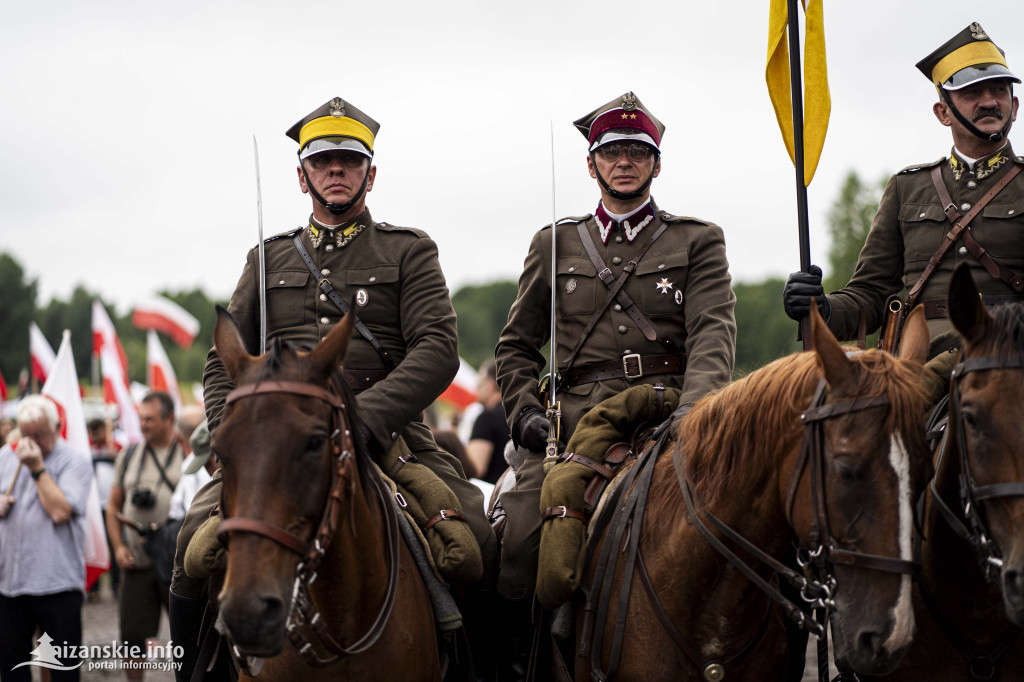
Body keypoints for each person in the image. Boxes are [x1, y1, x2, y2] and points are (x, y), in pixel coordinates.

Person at [169, 96, 496, 681]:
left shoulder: (408, 250)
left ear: (371, 173)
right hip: (277, 447)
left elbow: (437, 349)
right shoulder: (266, 260)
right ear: (303, 176)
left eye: (349, 160)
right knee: (194, 553)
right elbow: (225, 364)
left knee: (472, 549)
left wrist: (365, 417)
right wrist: (235, 435)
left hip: (387, 442)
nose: (337, 170)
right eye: (324, 162)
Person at [494, 91, 737, 676]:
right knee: (518, 545)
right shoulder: (555, 243)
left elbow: (713, 334)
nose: (624, 161)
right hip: (572, 424)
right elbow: (516, 346)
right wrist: (525, 412)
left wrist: (697, 408)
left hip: (667, 413)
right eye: (612, 151)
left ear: (656, 163)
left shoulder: (697, 240)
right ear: (591, 164)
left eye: (637, 151)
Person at [784, 22, 1023, 386]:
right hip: (914, 355)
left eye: (999, 91)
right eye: (972, 92)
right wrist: (821, 307)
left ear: (1015, 106)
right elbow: (870, 294)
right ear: (943, 112)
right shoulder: (908, 187)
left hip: (1008, 358)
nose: (989, 101)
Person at [0, 396, 94, 682]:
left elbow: (59, 511)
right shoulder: (5, 456)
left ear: (58, 426)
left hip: (57, 585)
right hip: (10, 586)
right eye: (26, 434)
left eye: (39, 434)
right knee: (12, 670)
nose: (31, 443)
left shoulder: (75, 461)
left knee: (62, 671)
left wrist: (37, 468)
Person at [106, 392, 183, 681]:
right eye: (140, 418)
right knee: (132, 639)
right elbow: (113, 507)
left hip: (178, 565)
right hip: (137, 564)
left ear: (169, 419)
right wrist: (117, 547)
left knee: (186, 636)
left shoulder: (188, 453)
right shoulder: (128, 456)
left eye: (150, 418)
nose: (143, 424)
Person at [87, 417, 121, 601]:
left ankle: (117, 585)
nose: (95, 436)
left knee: (113, 543)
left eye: (98, 432)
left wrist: (108, 436)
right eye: (92, 433)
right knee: (94, 545)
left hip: (109, 505)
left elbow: (115, 457)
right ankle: (94, 589)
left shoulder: (114, 445)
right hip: (93, 507)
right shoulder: (86, 446)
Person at [466, 359, 511, 484]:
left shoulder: (486, 418)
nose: (477, 388)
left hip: (491, 496)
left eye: (479, 383)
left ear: (490, 384)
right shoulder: (520, 416)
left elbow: (475, 468)